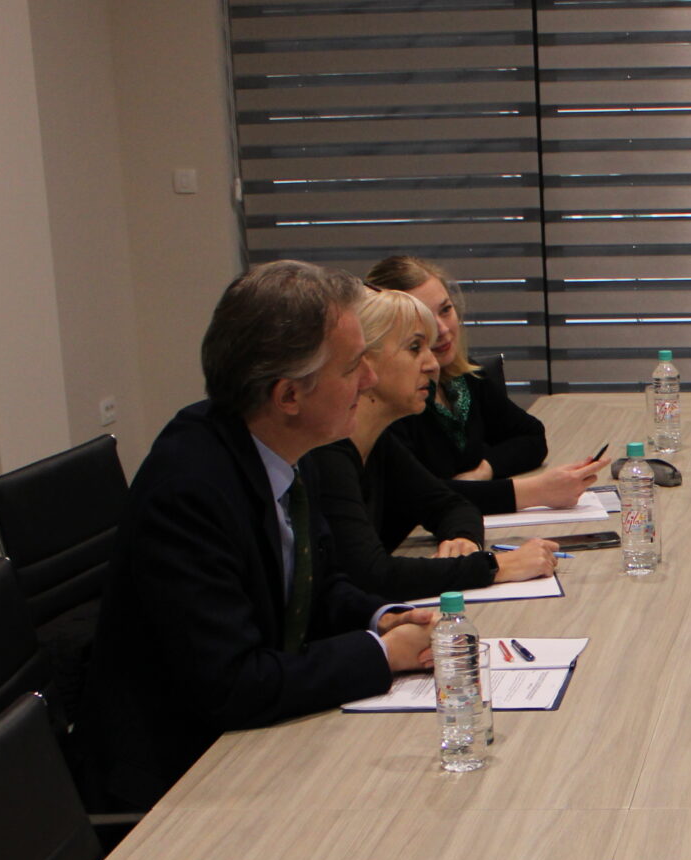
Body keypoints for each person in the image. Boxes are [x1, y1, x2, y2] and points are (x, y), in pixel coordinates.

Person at [79, 262, 439, 811]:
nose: (368, 380)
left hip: (256, 745)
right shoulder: (190, 490)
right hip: (180, 783)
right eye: (352, 366)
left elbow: (316, 586)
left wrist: (381, 618)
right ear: (288, 395)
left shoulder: (286, 445)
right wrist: (381, 654)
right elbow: (234, 684)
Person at [304, 286, 562, 604]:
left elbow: (452, 505)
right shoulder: (326, 453)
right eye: (415, 348)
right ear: (364, 361)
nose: (433, 365)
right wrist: (494, 566)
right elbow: (371, 575)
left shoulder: (378, 442)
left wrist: (463, 540)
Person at [364, 255, 594, 514]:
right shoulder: (390, 405)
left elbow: (531, 436)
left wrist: (485, 470)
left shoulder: (463, 377)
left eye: (446, 310)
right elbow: (419, 494)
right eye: (424, 321)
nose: (442, 329)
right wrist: (536, 491)